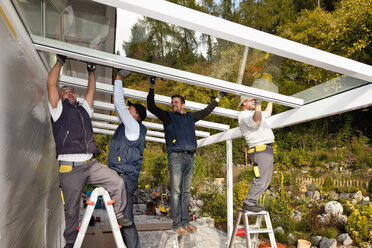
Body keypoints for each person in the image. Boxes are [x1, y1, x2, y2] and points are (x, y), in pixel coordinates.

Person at [47, 55, 131, 248]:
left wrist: (92, 72)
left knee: (117, 182)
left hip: (90, 165)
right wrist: (60, 62)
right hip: (70, 169)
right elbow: (51, 84)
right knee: (72, 210)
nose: (69, 93)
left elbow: (91, 91)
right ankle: (70, 242)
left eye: (71, 92)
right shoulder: (58, 111)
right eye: (65, 92)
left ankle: (118, 214)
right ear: (60, 97)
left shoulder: (83, 110)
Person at [147, 77, 226, 235]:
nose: (174, 104)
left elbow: (205, 112)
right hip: (176, 157)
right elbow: (151, 107)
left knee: (186, 192)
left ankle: (185, 222)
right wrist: (152, 86)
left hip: (190, 157)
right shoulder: (168, 116)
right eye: (172, 102)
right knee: (176, 192)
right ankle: (177, 225)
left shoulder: (190, 117)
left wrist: (218, 98)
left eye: (176, 102)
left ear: (183, 105)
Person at [107, 70, 147, 248]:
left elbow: (118, 104)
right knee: (123, 220)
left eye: (130, 109)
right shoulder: (128, 127)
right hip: (122, 177)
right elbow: (121, 109)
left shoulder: (133, 126)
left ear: (136, 115)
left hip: (124, 178)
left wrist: (119, 79)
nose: (126, 110)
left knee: (127, 220)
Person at [238, 96, 274, 212]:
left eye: (255, 100)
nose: (254, 102)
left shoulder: (254, 113)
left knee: (266, 179)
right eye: (252, 100)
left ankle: (251, 202)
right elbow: (257, 122)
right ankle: (249, 202)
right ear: (244, 102)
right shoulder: (244, 116)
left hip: (265, 149)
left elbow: (267, 112)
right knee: (261, 178)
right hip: (260, 149)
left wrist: (271, 99)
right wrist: (258, 103)